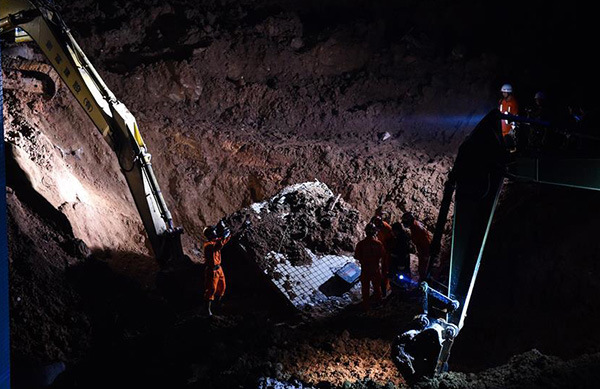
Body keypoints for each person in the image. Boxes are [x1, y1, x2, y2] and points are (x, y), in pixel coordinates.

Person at [203, 221, 231, 316]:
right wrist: (224, 235)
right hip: (212, 271)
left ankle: (217, 306)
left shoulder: (215, 241)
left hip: (219, 269)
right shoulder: (208, 245)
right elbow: (219, 245)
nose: (216, 232)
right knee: (211, 290)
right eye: (214, 231)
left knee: (222, 287)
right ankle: (207, 310)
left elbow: (225, 239)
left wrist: (227, 233)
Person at [354, 223, 384, 310]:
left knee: (365, 288)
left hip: (365, 269)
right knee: (377, 287)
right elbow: (382, 254)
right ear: (375, 232)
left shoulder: (360, 244)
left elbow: (356, 256)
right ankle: (379, 303)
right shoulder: (378, 244)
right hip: (375, 269)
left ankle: (366, 305)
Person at [401, 212, 432, 281]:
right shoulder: (414, 226)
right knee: (421, 270)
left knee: (423, 270)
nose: (404, 224)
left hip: (425, 252)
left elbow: (425, 241)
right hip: (422, 251)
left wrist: (425, 255)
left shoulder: (417, 229)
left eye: (405, 222)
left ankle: (424, 285)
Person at [371, 213, 394, 297]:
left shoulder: (386, 228)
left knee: (387, 269)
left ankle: (386, 287)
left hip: (389, 251)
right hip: (385, 250)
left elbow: (390, 241)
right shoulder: (380, 227)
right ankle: (384, 287)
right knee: (384, 269)